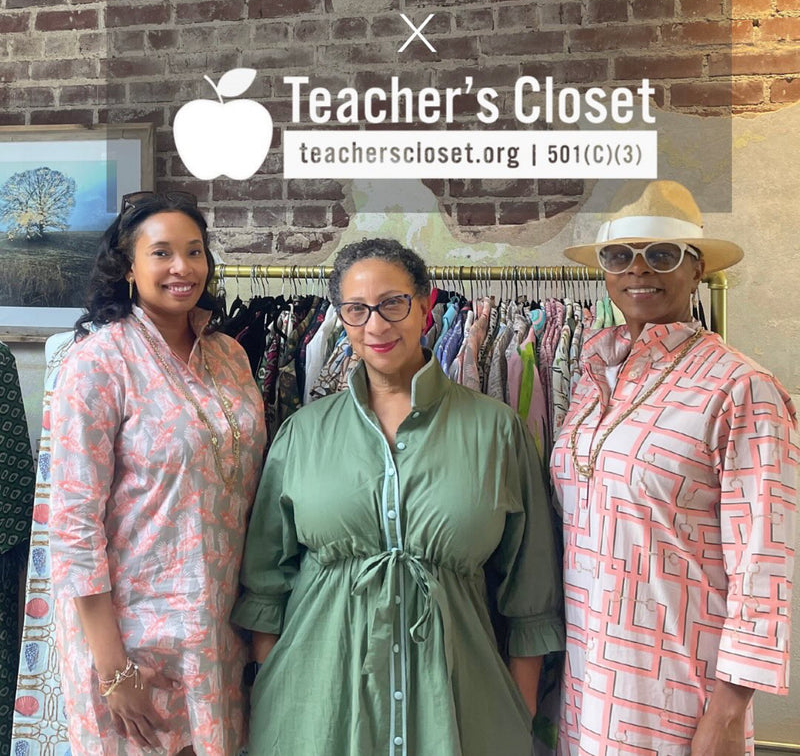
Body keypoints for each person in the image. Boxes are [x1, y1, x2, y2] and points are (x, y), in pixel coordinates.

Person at [232, 238, 565, 756]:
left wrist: (517, 714)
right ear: (341, 319)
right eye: (356, 309)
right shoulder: (302, 433)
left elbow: (530, 591)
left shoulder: (497, 431)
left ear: (426, 305)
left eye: (393, 303)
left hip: (462, 713)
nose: (376, 325)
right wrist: (275, 682)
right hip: (316, 713)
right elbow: (265, 585)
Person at [553, 180, 799, 756]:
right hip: (587, 679)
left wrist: (728, 713)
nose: (639, 270)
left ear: (697, 269)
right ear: (605, 273)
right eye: (620, 256)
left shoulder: (741, 387)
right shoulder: (593, 379)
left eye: (662, 255)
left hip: (680, 687)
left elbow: (764, 560)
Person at [49, 191, 266, 756]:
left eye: (194, 252)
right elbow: (72, 527)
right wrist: (113, 669)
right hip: (132, 647)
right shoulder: (99, 362)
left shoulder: (230, 356)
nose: (182, 267)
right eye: (162, 252)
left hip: (216, 637)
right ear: (128, 267)